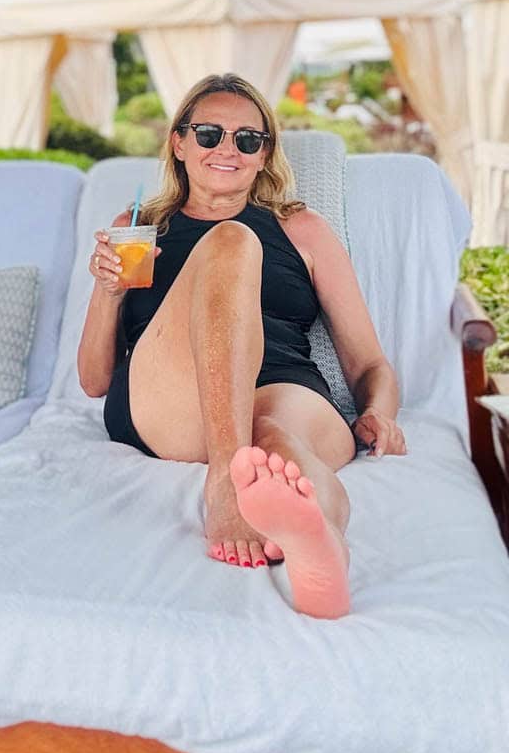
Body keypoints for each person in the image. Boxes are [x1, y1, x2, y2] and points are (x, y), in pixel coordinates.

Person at [76, 71, 406, 620]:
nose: (227, 149)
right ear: (179, 143)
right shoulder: (138, 228)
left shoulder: (302, 230)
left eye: (247, 139)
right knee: (230, 239)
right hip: (173, 400)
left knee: (273, 434)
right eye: (208, 134)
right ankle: (229, 478)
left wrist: (379, 412)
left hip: (286, 392)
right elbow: (93, 381)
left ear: (263, 155)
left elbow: (369, 361)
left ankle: (322, 545)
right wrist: (108, 292)